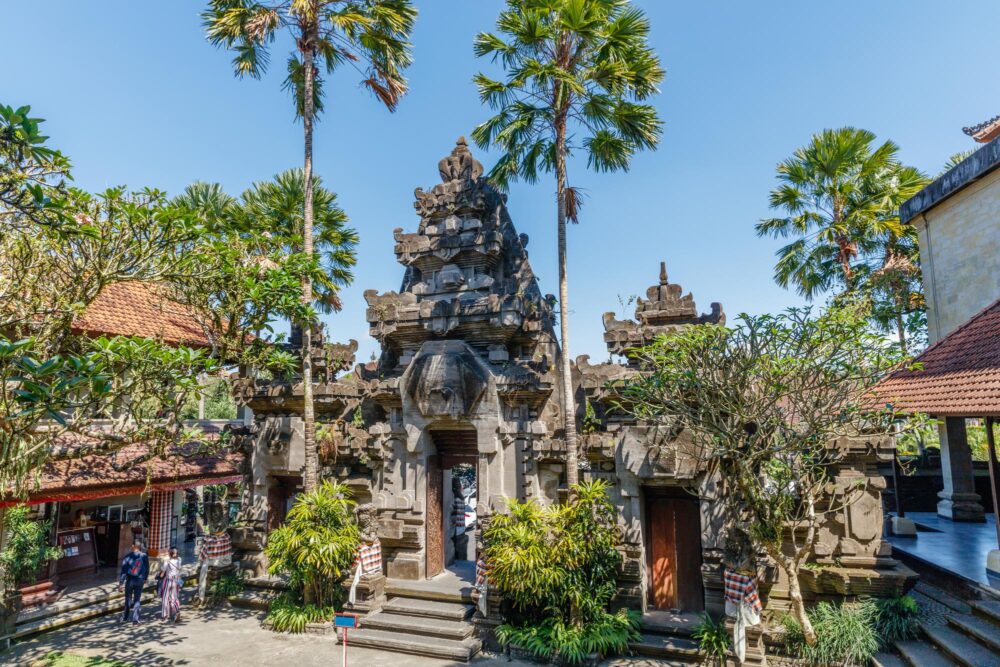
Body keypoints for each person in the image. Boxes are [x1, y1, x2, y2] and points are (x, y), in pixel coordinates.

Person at [118, 540, 149, 624]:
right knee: (137, 599)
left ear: (133, 546)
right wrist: (145, 578)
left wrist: (121, 583)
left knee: (128, 598)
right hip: (140, 580)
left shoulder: (127, 557)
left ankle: (125, 617)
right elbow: (147, 568)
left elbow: (124, 571)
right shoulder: (144, 556)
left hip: (130, 580)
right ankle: (135, 619)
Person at [157, 547, 183, 622]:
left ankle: (165, 615)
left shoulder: (167, 562)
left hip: (168, 581)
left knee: (165, 598)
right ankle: (177, 611)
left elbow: (162, 574)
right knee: (174, 598)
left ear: (170, 553)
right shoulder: (179, 560)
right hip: (176, 581)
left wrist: (160, 575)